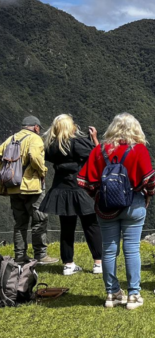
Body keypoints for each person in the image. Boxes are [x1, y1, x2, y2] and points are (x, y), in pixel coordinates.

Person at [78, 113, 155, 310]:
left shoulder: (99, 150)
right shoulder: (139, 149)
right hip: (134, 204)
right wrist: (148, 196)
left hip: (105, 208)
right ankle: (133, 295)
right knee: (131, 249)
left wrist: (96, 196)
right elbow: (150, 179)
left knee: (109, 250)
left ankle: (112, 294)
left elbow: (84, 181)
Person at [40, 115, 103, 275]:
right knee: (91, 225)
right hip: (79, 188)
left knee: (67, 228)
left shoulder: (51, 146)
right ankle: (98, 262)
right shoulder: (76, 142)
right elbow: (97, 155)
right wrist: (94, 138)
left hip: (60, 189)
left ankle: (68, 264)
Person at [0, 116, 58, 265]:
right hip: (31, 187)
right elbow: (34, 156)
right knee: (39, 220)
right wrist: (43, 170)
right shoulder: (35, 139)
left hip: (13, 186)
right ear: (36, 127)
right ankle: (40, 255)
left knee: (20, 223)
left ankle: (20, 256)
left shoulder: (11, 139)